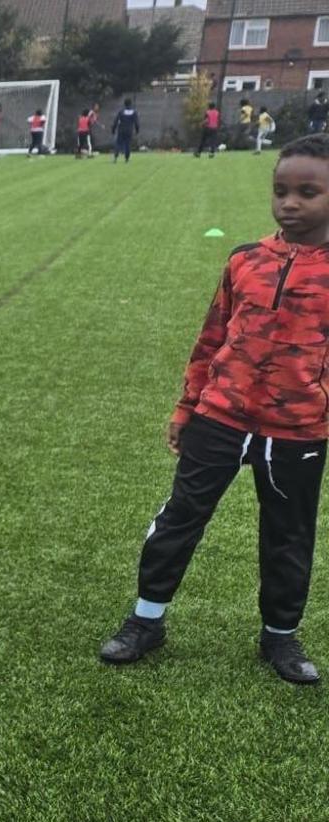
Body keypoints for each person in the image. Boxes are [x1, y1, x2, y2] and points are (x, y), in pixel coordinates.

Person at [99, 136, 329, 684]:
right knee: (179, 519)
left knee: (289, 536)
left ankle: (280, 638)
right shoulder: (245, 260)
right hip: (219, 418)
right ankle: (146, 621)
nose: (289, 203)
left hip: (297, 432)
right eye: (280, 191)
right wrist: (187, 409)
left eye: (307, 192)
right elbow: (210, 340)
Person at [111, 98, 139, 163]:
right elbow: (136, 123)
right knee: (128, 144)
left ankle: (115, 157)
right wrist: (137, 130)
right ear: (131, 104)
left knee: (118, 143)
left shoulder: (121, 112)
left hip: (121, 130)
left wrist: (113, 129)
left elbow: (116, 121)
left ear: (124, 104)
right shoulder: (134, 112)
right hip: (129, 130)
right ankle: (127, 158)